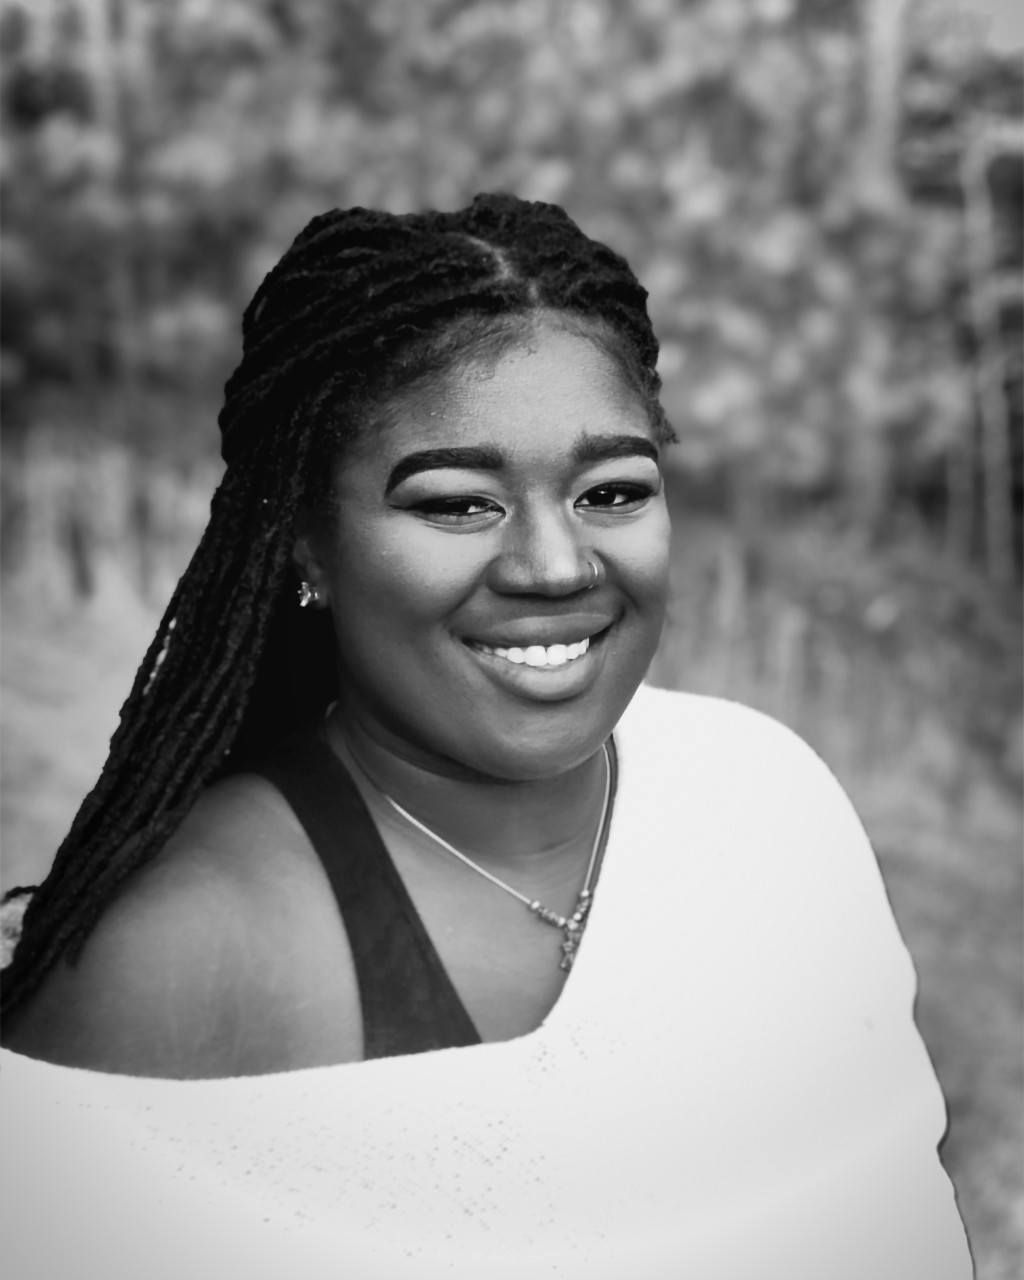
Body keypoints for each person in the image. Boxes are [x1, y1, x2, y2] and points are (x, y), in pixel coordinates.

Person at [1, 195, 972, 1278]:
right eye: (458, 504)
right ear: (308, 544)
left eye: (611, 490)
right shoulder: (187, 959)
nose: (556, 565)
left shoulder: (766, 800)